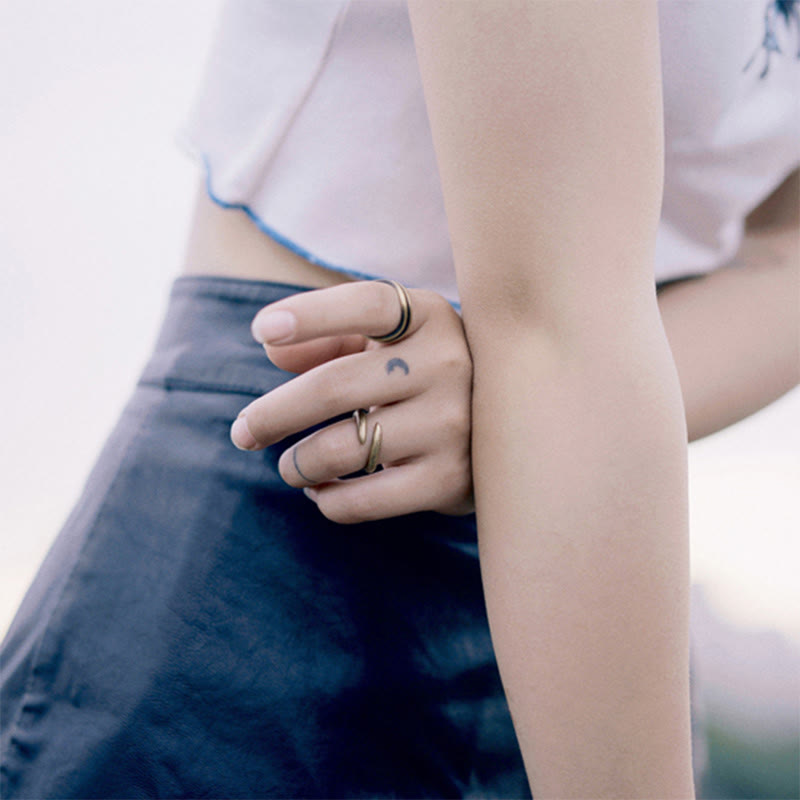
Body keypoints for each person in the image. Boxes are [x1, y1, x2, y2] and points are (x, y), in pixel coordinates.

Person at [1, 1, 797, 798]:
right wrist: (538, 395)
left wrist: (500, 414)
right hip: (289, 527)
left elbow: (781, 253)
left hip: (599, 556)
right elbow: (558, 325)